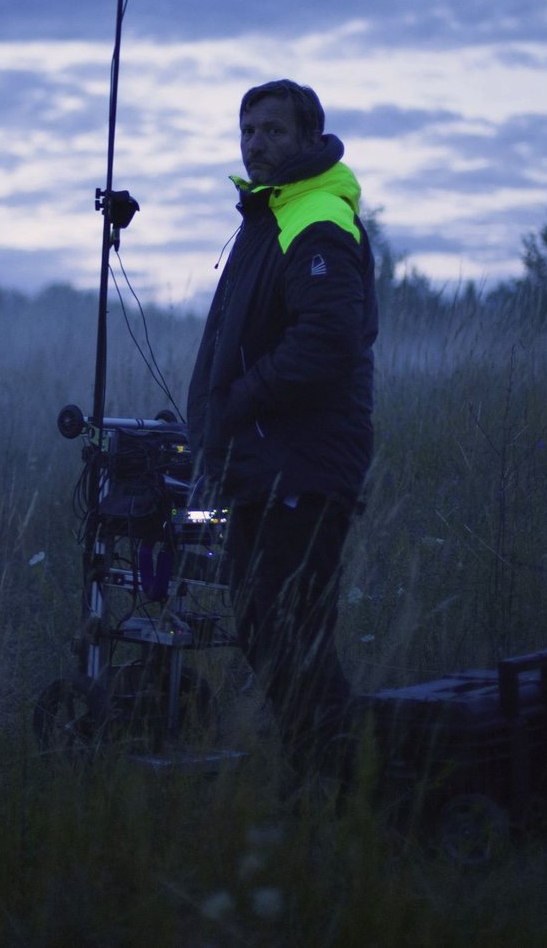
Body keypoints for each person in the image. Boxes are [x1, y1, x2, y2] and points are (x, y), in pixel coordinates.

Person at [186, 80, 378, 772]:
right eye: (248, 131)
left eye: (272, 130)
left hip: (301, 461)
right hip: (269, 462)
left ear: (306, 135)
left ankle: (342, 780)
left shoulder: (316, 214)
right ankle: (325, 775)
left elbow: (329, 341)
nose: (256, 143)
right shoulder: (272, 213)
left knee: (290, 630)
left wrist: (238, 399)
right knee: (269, 627)